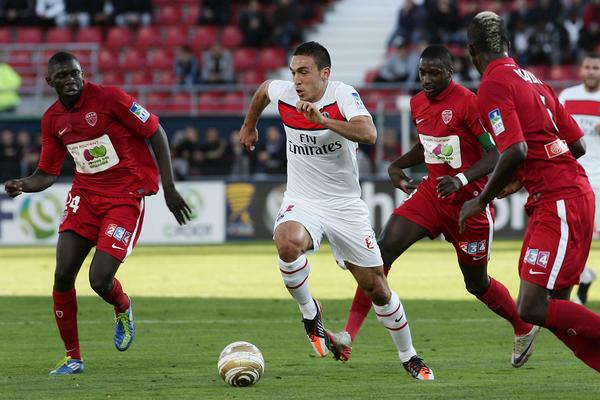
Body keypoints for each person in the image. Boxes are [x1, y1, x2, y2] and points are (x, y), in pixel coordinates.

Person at [328, 44, 538, 370]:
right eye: (422, 72)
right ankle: (348, 336)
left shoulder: (469, 103)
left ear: (449, 73)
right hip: (431, 194)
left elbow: (495, 153)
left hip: (469, 205)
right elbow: (427, 144)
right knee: (381, 253)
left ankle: (523, 326)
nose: (426, 79)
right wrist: (397, 165)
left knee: (476, 283)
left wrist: (462, 179)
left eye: (434, 73)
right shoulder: (418, 103)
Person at [239, 41, 433, 380]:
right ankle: (310, 312)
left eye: (304, 72)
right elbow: (263, 91)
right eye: (293, 72)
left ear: (325, 73)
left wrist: (325, 120)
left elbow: (369, 133)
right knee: (287, 242)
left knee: (377, 288)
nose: (296, 79)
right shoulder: (285, 93)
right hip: (303, 198)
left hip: (344, 204)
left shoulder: (342, 95)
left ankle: (409, 356)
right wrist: (249, 125)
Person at [3, 52, 191, 375]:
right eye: (62, 76)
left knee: (99, 280)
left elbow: (155, 131)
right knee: (63, 274)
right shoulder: (52, 119)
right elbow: (46, 174)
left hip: (124, 197)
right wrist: (23, 184)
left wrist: (169, 187)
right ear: (49, 82)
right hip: (85, 198)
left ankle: (123, 306)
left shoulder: (110, 98)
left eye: (75, 73)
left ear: (82, 73)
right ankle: (73, 358)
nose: (71, 80)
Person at [460, 11, 600, 372]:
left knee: (533, 308)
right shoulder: (535, 81)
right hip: (565, 194)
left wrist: (481, 199)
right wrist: (526, 178)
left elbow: (516, 150)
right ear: (507, 45)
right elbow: (578, 145)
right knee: (553, 309)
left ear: (472, 51)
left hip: (559, 200)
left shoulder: (492, 85)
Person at [558, 53, 600, 305]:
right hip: (574, 178)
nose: (592, 71)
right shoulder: (567, 96)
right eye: (588, 67)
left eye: (596, 67)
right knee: (573, 237)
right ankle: (583, 277)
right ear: (581, 70)